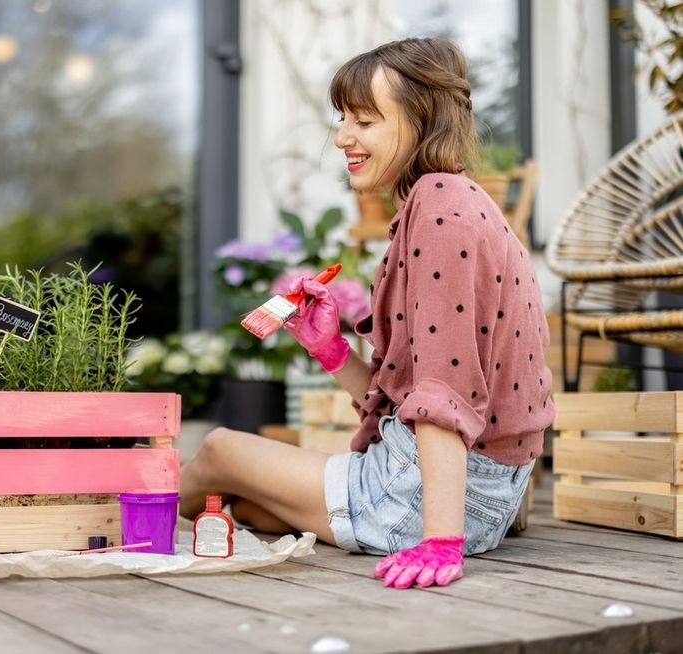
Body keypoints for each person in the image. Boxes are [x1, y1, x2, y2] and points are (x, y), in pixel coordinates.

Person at [180, 37, 555, 589]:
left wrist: (441, 541)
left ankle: (109, 523)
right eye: (344, 118)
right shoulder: (456, 200)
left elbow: (441, 394)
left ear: (422, 118)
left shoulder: (441, 210)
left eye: (364, 120)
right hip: (469, 493)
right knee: (251, 506)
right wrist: (330, 349)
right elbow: (409, 397)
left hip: (428, 498)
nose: (343, 138)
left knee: (218, 451)